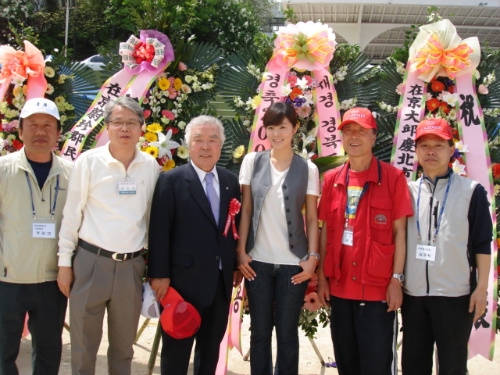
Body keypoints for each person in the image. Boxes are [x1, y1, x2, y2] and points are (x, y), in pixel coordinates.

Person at [57, 96, 159, 375]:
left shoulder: (150, 166)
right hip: (91, 262)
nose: (124, 128)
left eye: (131, 123)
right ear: (107, 127)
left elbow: (152, 219)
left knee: (123, 349)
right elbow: (71, 214)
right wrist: (64, 264)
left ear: (141, 127)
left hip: (131, 267)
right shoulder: (89, 162)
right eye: (117, 122)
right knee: (83, 347)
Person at [317, 107, 413, 375]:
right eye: (348, 131)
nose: (354, 136)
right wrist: (323, 279)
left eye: (361, 131)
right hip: (340, 288)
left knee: (377, 365)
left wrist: (396, 280)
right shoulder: (331, 180)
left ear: (374, 136)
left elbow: (399, 234)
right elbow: (325, 233)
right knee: (347, 363)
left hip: (377, 291)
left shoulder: (393, 179)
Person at [147, 115, 241, 375]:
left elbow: (234, 229)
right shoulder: (172, 181)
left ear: (221, 146)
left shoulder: (230, 182)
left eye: (213, 140)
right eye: (198, 140)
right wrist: (159, 275)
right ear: (188, 145)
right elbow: (159, 231)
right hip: (181, 285)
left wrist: (233, 266)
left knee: (209, 356)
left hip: (219, 286)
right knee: (176, 356)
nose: (206, 146)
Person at [401, 118, 492, 375]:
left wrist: (481, 289)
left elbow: (482, 244)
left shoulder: (471, 191)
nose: (431, 151)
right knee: (413, 366)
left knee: (452, 367)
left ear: (452, 150)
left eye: (438, 145)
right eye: (425, 145)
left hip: (455, 295)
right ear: (416, 151)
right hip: (414, 295)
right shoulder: (406, 192)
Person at [236, 101, 320, 375]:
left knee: (286, 334)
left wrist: (312, 259)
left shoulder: (308, 169)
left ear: (294, 128)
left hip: (293, 264)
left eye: (282, 127)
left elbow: (311, 218)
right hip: (256, 261)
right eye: (271, 127)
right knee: (259, 331)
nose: (276, 133)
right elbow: (246, 209)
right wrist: (241, 251)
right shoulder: (252, 161)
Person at [0, 98, 73, 375]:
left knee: (48, 351)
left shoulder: (71, 173)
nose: (40, 132)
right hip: (8, 278)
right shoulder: (3, 170)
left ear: (58, 133)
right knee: (4, 350)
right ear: (19, 131)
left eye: (48, 126)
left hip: (52, 279)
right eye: (33, 125)